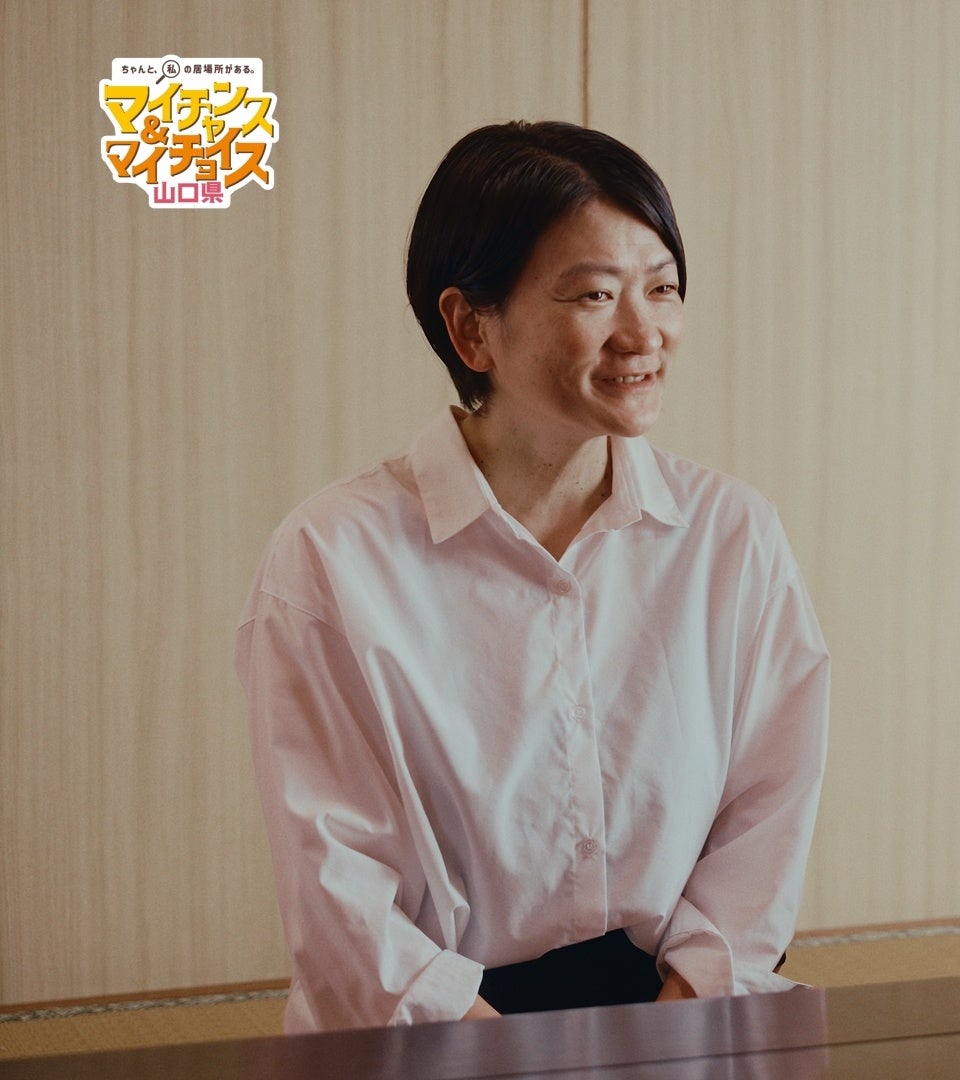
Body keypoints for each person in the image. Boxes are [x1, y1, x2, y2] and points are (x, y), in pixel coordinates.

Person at [237, 121, 829, 1031]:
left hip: (679, 1021)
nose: (644, 332)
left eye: (662, 287)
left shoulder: (732, 534)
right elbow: (338, 888)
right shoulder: (330, 558)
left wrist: (674, 1028)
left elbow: (767, 817)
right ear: (471, 328)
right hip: (433, 1039)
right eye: (594, 294)